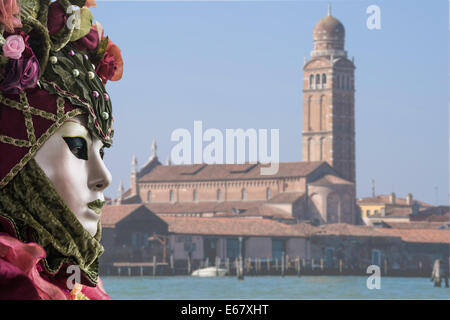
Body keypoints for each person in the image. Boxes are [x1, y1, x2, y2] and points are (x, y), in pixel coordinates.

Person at [0, 0, 123, 300]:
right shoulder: (14, 287)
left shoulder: (71, 285)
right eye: (78, 147)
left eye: (102, 152)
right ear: (15, 167)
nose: (104, 178)